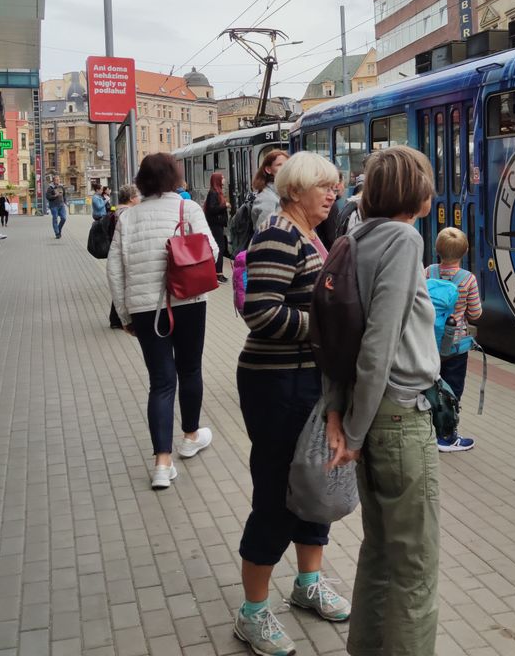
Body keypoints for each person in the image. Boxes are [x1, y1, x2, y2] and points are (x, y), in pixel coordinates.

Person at [325, 146, 442, 656]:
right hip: (398, 416)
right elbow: (377, 342)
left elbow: (334, 338)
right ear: (414, 192)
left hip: (368, 413)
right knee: (415, 566)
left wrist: (342, 413)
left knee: (379, 550)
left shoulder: (354, 237)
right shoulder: (403, 239)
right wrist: (351, 433)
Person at [235, 151, 349, 656]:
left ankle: (307, 584)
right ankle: (253, 613)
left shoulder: (307, 235)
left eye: (335, 186)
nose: (334, 194)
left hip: (307, 381)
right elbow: (261, 314)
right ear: (296, 189)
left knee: (313, 483)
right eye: (324, 186)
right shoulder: (279, 234)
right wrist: (325, 333)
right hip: (277, 382)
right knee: (279, 493)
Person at [108, 154, 216, 491]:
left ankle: (162, 464)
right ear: (175, 177)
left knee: (161, 381)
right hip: (189, 301)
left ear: (142, 181)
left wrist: (125, 315)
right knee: (190, 370)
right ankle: (190, 436)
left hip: (145, 309)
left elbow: (115, 269)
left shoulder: (128, 217)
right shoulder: (189, 210)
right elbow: (211, 251)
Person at [426, 226, 482, 453]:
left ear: (436, 249)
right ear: (465, 251)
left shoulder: (428, 272)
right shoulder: (468, 280)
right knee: (452, 390)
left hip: (428, 344)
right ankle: (447, 437)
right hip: (456, 348)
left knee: (428, 387)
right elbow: (476, 314)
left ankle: (428, 431)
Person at [107, 184, 140, 329]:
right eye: (138, 196)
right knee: (123, 286)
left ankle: (115, 319)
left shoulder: (116, 210)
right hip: (124, 254)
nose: (140, 198)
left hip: (118, 252)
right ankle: (117, 320)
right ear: (132, 199)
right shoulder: (125, 214)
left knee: (120, 286)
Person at [249, 150, 287, 233]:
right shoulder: (267, 198)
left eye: (287, 164)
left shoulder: (284, 194)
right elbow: (264, 234)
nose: (285, 168)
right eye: (279, 165)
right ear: (268, 170)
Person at [204, 172, 231, 281]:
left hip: (218, 224)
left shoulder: (216, 192)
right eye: (222, 178)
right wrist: (225, 205)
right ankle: (218, 274)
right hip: (215, 225)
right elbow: (212, 209)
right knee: (219, 248)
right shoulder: (213, 193)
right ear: (217, 180)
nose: (224, 179)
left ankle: (218, 272)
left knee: (220, 247)